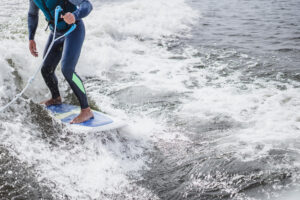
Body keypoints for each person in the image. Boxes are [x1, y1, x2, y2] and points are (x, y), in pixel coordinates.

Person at [28, 0, 94, 124]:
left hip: (73, 30)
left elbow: (87, 5)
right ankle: (56, 98)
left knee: (67, 70)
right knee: (46, 69)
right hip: (56, 33)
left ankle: (86, 110)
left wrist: (75, 15)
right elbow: (32, 14)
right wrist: (31, 38)